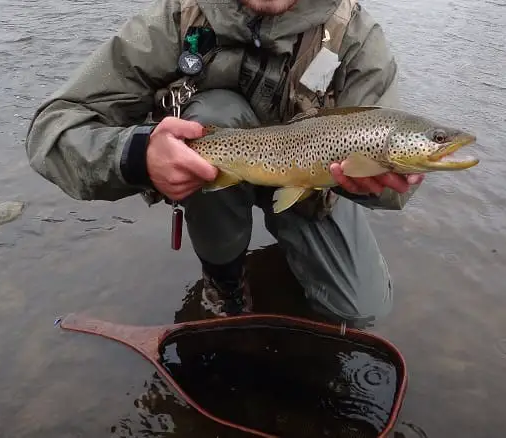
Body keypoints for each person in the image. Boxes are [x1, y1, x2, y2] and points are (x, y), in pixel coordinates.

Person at [24, 0, 424, 329]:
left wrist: (387, 184)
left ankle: (290, 248)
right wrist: (138, 155)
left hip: (314, 182)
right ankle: (224, 279)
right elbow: (52, 130)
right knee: (212, 116)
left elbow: (397, 169)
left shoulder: (354, 37)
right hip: (219, 167)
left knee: (361, 308)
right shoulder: (176, 19)